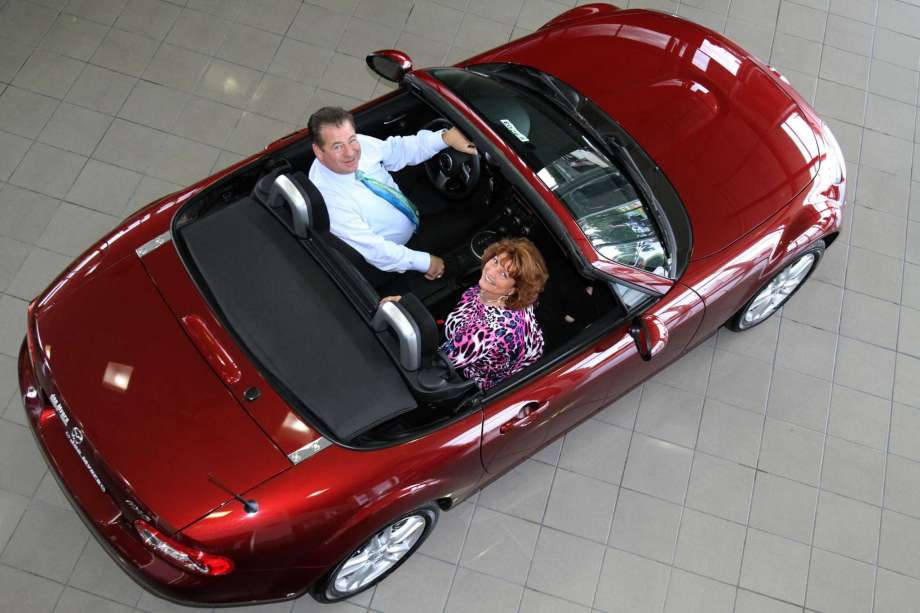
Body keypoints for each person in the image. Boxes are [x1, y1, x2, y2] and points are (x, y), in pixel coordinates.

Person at [307, 106, 477, 282]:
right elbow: (375, 249)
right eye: (337, 147)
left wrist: (445, 138)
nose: (350, 153)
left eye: (352, 140)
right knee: (469, 221)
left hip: (408, 208)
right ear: (319, 152)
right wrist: (425, 262)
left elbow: (397, 150)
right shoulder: (328, 200)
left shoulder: (358, 144)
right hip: (400, 251)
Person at [382, 238, 548, 390]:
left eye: (504, 274)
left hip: (475, 376)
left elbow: (435, 363)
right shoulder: (495, 291)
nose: (491, 271)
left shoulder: (489, 330)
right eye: (496, 261)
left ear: (513, 290)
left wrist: (406, 310)